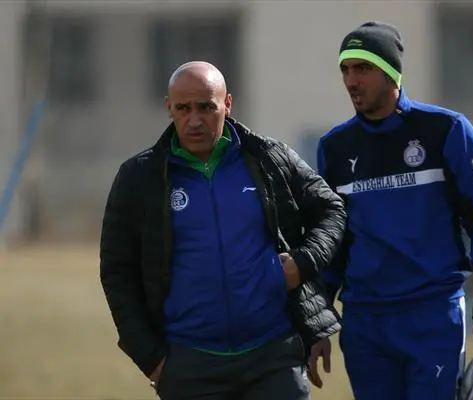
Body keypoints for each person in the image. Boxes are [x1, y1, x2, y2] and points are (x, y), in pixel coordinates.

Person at [99, 61, 346, 400]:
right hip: (190, 364)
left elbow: (331, 209)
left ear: (227, 104)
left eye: (206, 107)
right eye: (183, 108)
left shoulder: (268, 158)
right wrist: (151, 358)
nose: (194, 120)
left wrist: (303, 263)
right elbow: (117, 270)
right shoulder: (139, 178)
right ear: (169, 107)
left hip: (273, 356)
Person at [308, 21, 473, 399]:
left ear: (391, 72)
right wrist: (316, 321)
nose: (351, 81)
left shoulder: (446, 130)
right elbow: (333, 242)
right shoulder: (334, 147)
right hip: (365, 322)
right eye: (345, 70)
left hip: (432, 315)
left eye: (362, 68)